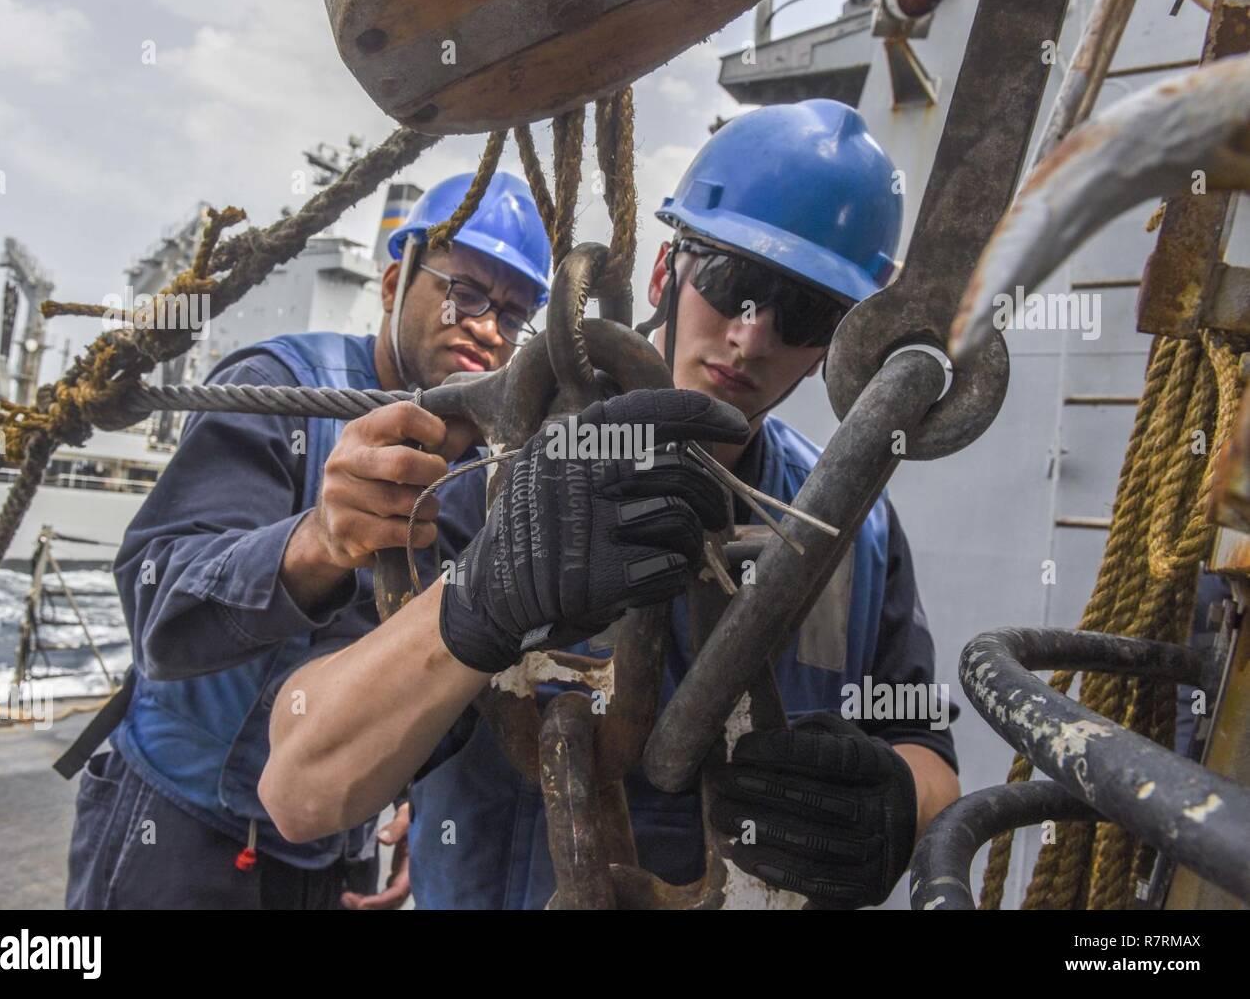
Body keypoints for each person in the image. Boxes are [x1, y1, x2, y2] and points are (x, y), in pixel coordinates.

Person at [260, 99, 961, 909]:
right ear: (668, 272)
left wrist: (899, 806)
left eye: (802, 312)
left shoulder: (858, 527)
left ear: (838, 342)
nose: (751, 337)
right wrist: (476, 605)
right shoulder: (502, 480)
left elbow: (923, 741)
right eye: (734, 284)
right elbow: (302, 789)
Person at [62, 171, 552, 910]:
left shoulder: (486, 470)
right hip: (177, 836)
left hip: (336, 859)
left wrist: (424, 800)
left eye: (513, 314)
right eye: (467, 293)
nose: (487, 327)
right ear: (393, 285)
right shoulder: (281, 388)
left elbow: (441, 664)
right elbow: (157, 606)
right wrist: (316, 542)